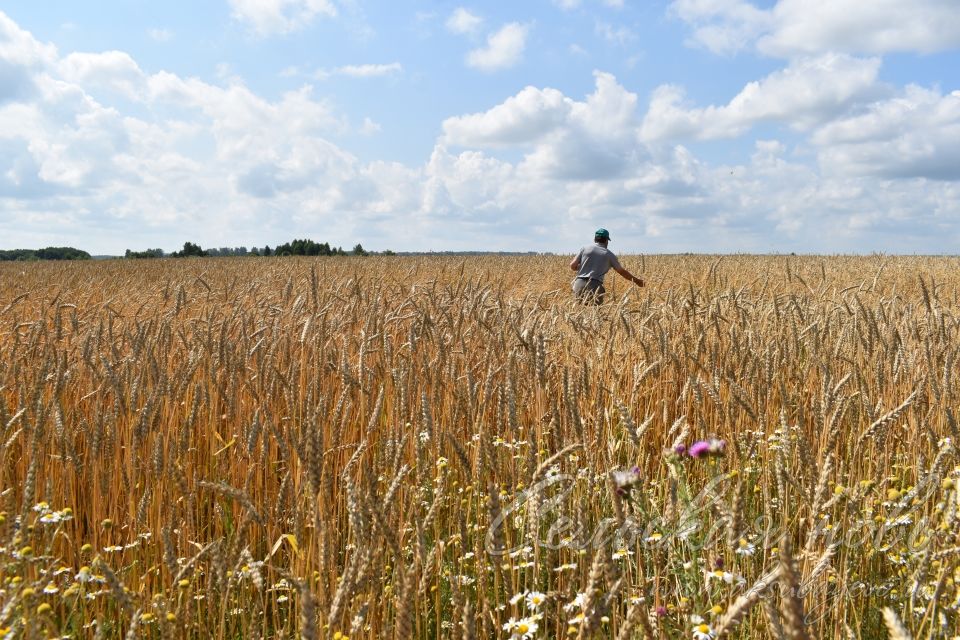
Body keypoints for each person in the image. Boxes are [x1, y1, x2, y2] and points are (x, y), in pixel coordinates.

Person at [570, 228, 644, 304]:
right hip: (594, 285)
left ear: (595, 239)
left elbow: (572, 266)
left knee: (578, 310)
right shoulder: (609, 255)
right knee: (594, 313)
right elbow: (621, 272)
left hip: (578, 283)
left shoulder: (584, 248)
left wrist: (584, 267)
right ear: (606, 240)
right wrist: (637, 281)